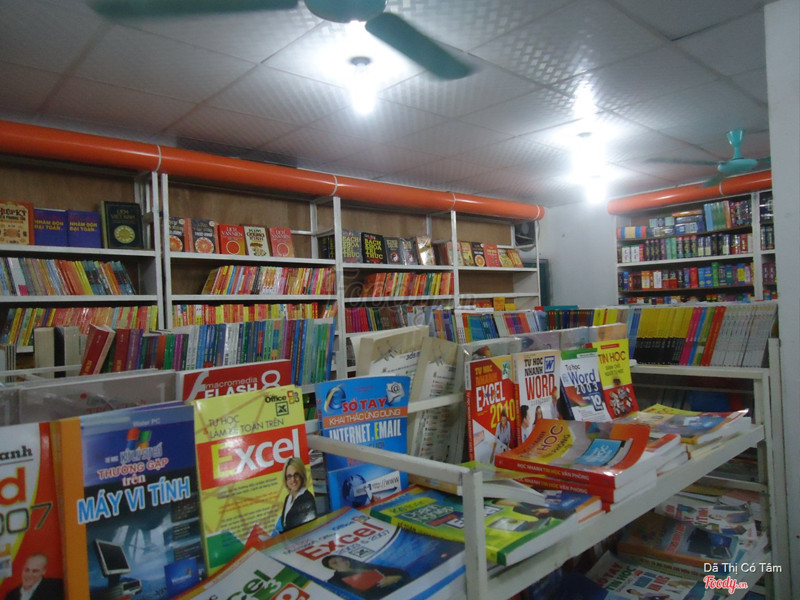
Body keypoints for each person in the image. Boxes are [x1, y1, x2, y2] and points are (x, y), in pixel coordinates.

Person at [321, 554, 409, 599]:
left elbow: (400, 572)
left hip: (403, 588)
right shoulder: (335, 581)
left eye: (343, 560)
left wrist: (395, 578)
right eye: (335, 563)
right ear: (330, 567)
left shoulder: (363, 566)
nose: (342, 562)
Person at [278, 457, 317, 532]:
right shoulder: (288, 498)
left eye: (296, 475)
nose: (293, 480)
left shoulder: (307, 498)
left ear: (302, 476)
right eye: (289, 476)